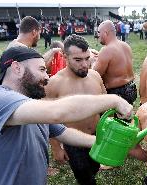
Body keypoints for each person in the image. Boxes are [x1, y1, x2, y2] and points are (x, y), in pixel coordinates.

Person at [0, 46, 133, 185]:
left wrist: (101, 143)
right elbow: (56, 112)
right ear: (17, 68)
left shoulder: (31, 104)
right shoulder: (0, 99)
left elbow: (63, 133)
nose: (46, 77)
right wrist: (113, 100)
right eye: (42, 70)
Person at [45, 34, 106, 185]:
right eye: (78, 60)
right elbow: (47, 118)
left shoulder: (95, 76)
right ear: (65, 57)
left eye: (87, 58)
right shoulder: (54, 83)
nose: (85, 64)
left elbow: (105, 103)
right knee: (85, 179)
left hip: (98, 136)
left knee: (94, 169)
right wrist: (56, 148)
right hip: (74, 142)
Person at [93, 20, 137, 105]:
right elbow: (116, 62)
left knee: (111, 118)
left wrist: (93, 61)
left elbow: (95, 75)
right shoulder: (125, 45)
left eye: (99, 32)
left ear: (105, 33)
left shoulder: (106, 50)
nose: (98, 35)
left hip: (117, 93)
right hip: (131, 89)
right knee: (126, 117)